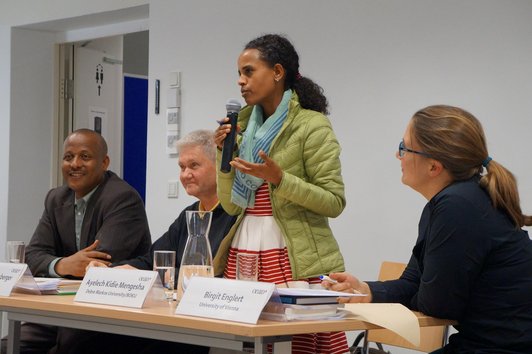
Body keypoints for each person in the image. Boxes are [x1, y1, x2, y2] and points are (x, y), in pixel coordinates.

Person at [325, 105, 532, 354]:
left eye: (404, 148)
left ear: (434, 167)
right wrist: (365, 290)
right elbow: (414, 282)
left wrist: (419, 292)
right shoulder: (452, 201)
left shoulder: (458, 206)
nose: (397, 155)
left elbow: (438, 305)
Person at [214, 34, 349, 353]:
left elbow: (333, 201)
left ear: (277, 72)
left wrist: (280, 179)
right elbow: (231, 206)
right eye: (239, 74)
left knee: (293, 343)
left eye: (249, 71)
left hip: (292, 254)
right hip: (245, 247)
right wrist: (222, 156)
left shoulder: (312, 126)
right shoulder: (242, 128)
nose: (240, 81)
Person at [59, 130, 238, 354]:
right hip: (174, 318)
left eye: (194, 166)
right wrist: (113, 270)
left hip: (206, 326)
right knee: (86, 342)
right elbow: (152, 259)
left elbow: (217, 276)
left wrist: (159, 274)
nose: (185, 175)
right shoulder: (189, 215)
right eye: (182, 167)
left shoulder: (235, 214)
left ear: (220, 166)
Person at [2, 128, 152, 354]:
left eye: (85, 156)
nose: (75, 164)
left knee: (67, 347)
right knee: (7, 346)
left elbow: (98, 262)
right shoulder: (56, 198)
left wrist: (61, 263)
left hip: (107, 315)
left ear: (104, 162)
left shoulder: (122, 198)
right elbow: (32, 255)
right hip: (62, 311)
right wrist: (62, 264)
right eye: (68, 157)